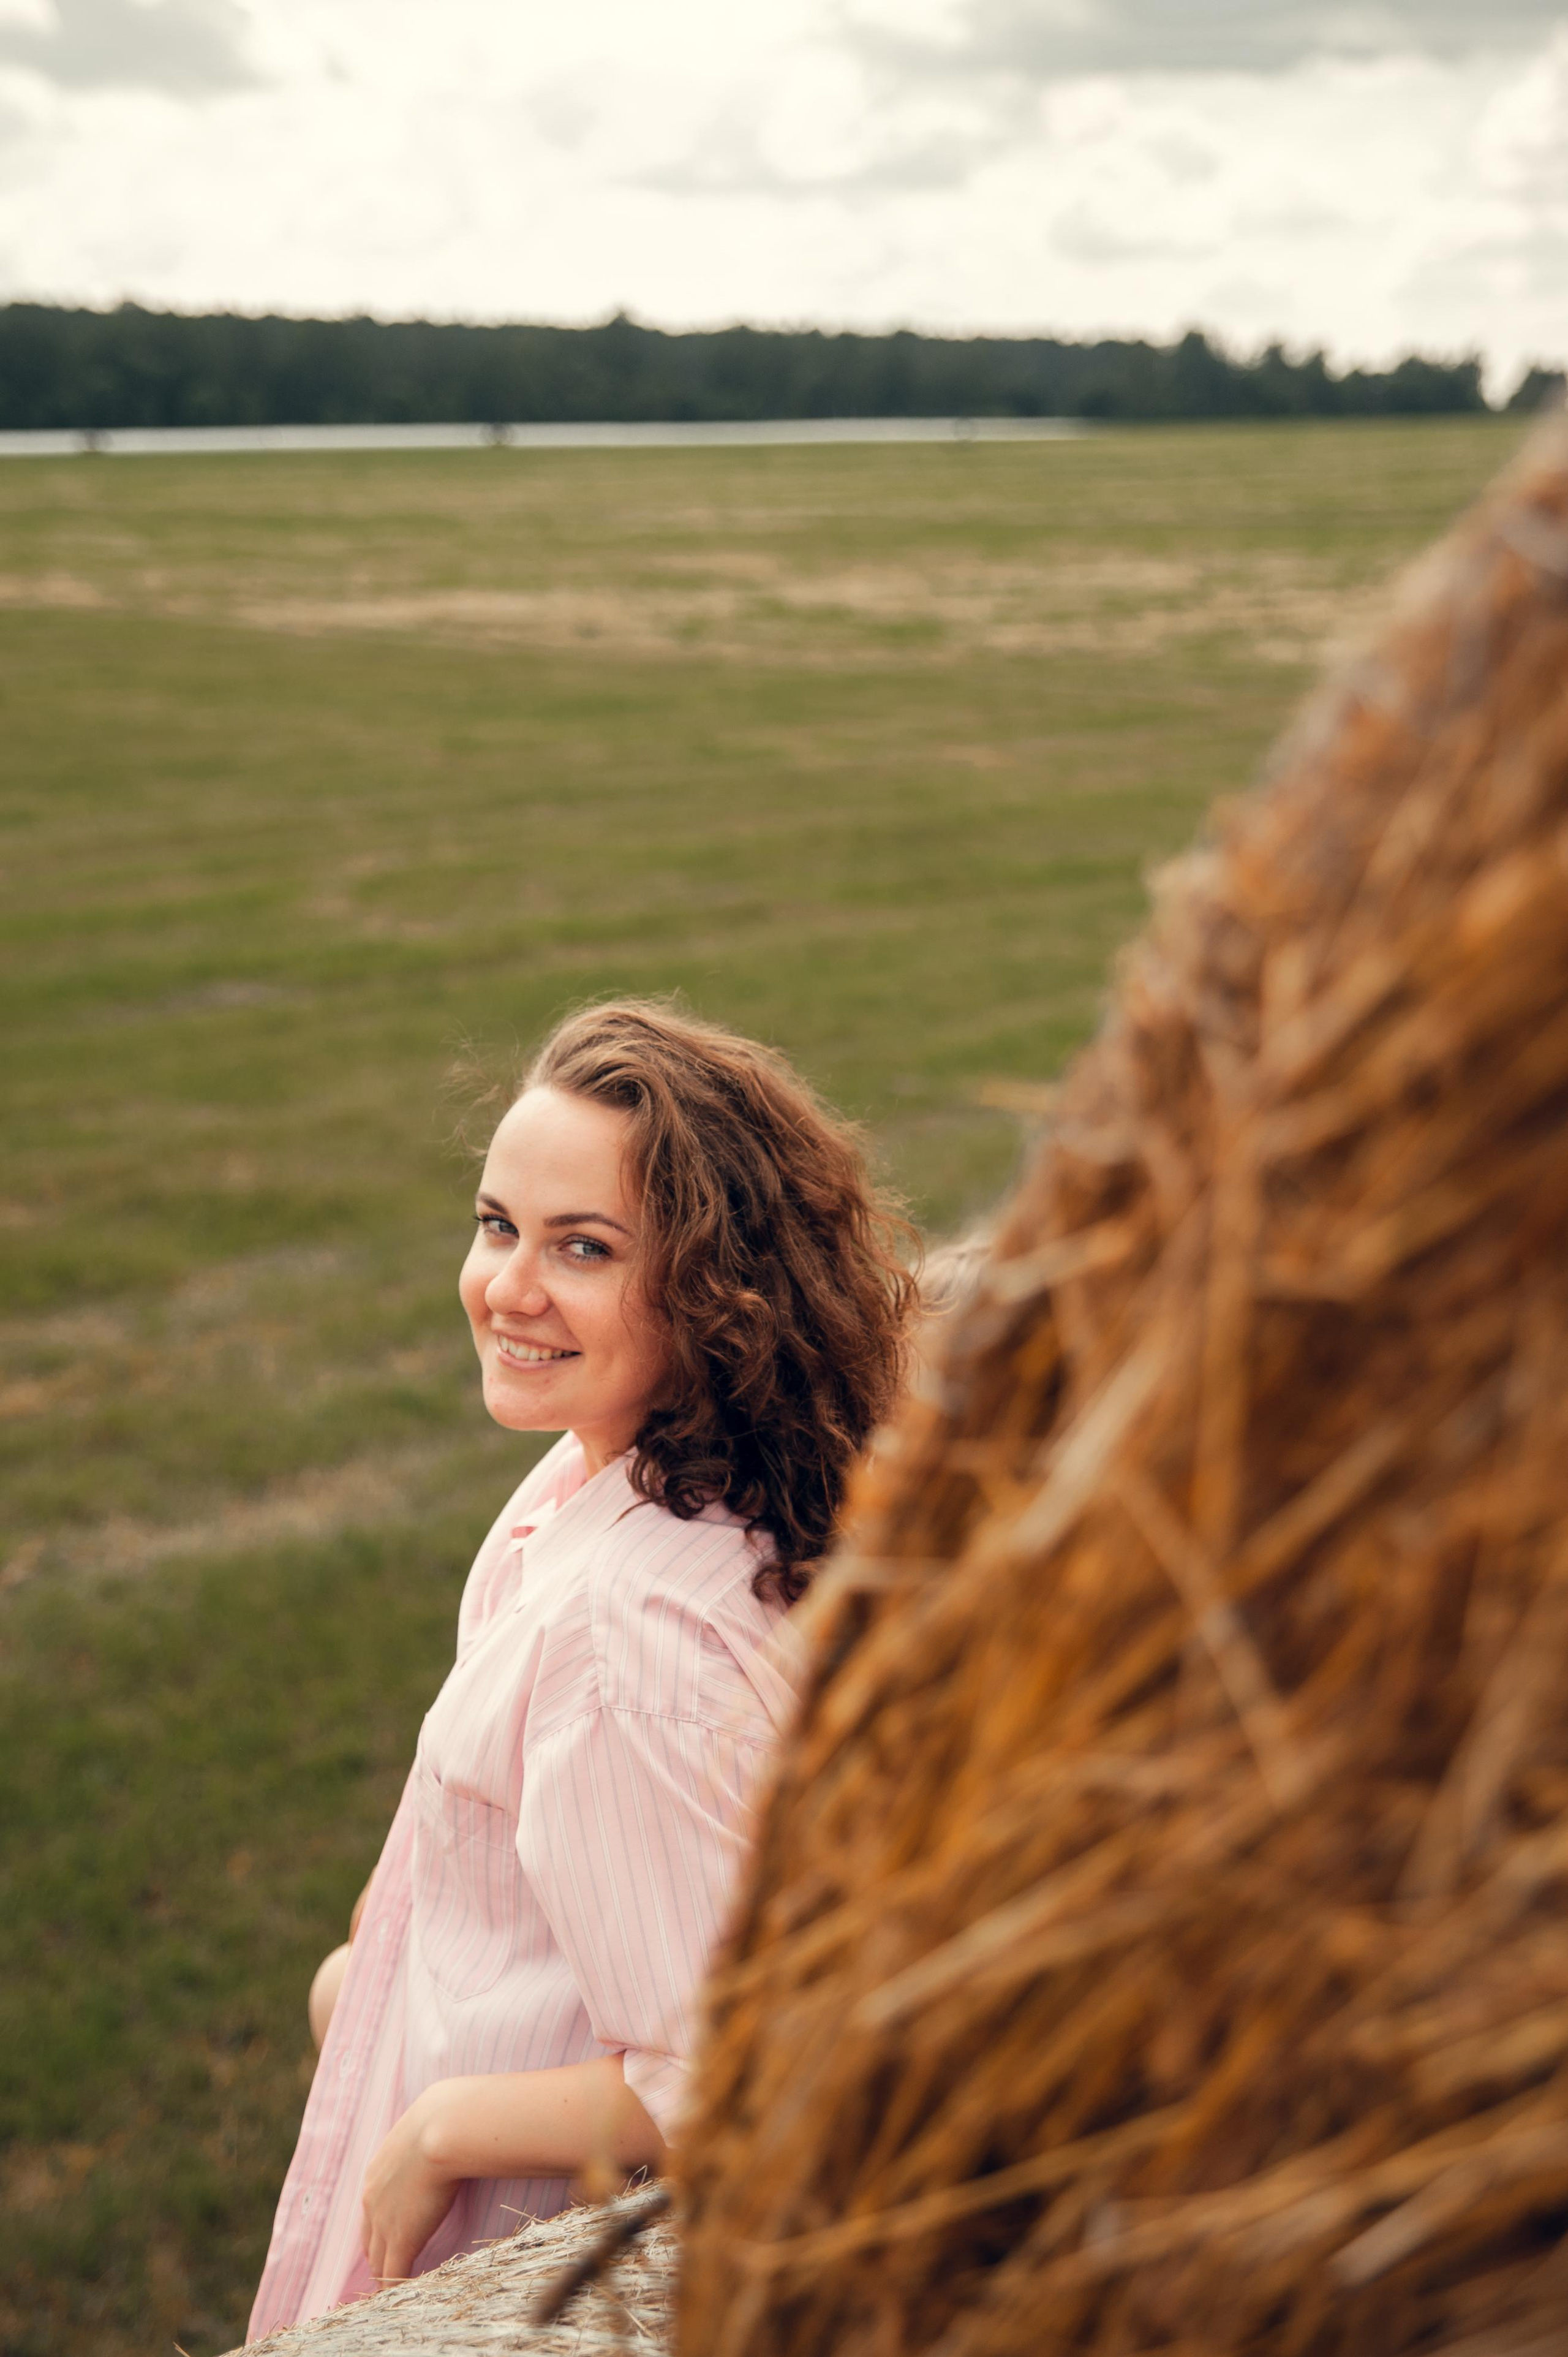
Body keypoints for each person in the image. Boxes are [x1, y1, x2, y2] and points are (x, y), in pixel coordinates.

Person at [248, 1001, 914, 2336]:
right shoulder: (612, 1476)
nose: (507, 1285)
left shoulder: (629, 1633)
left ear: (716, 1291)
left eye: (585, 1249)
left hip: (523, 2245)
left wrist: (442, 2118)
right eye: (498, 1225)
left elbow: (736, 2066)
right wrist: (369, 1991)